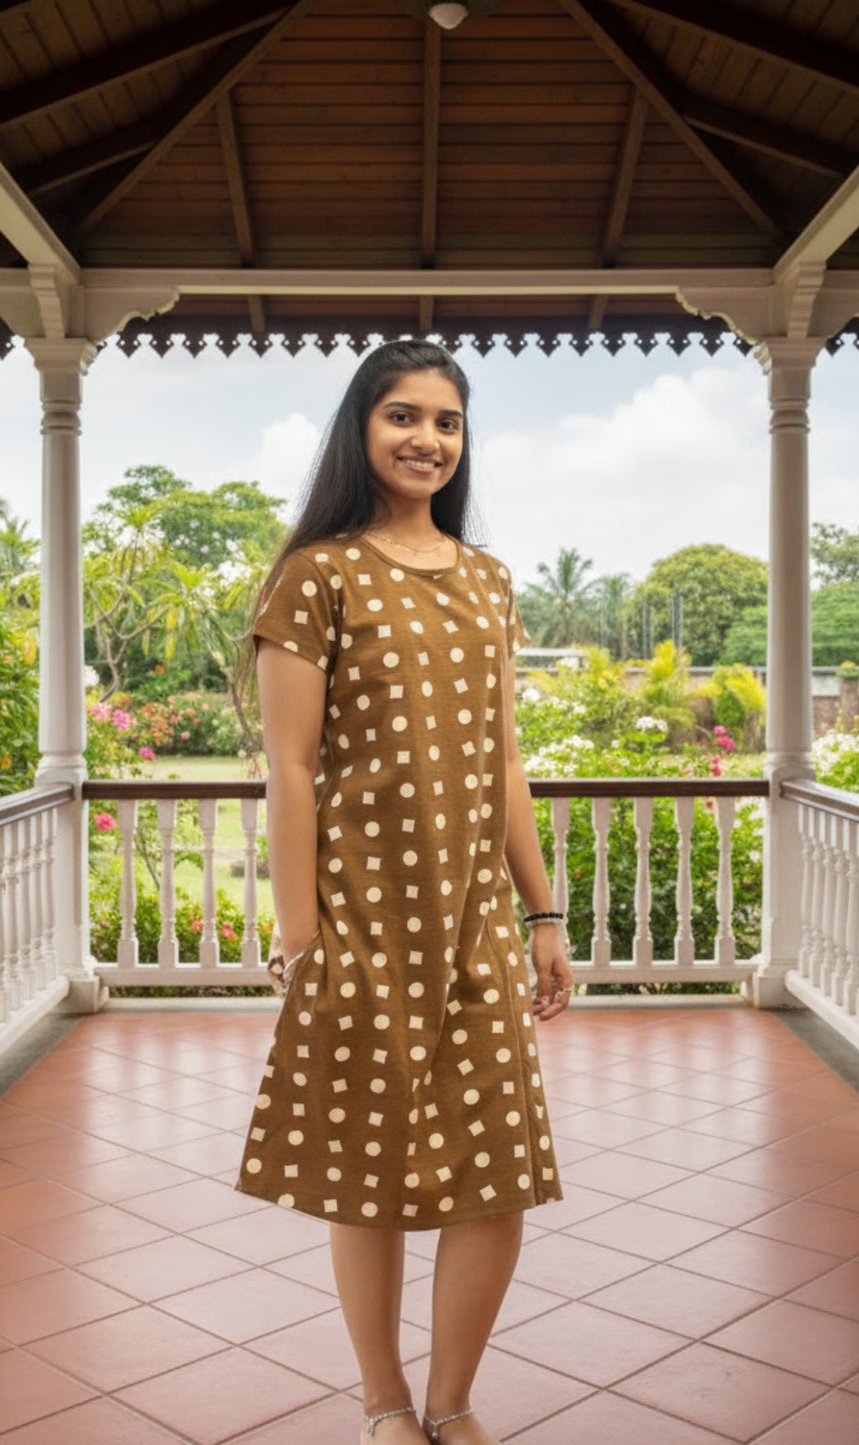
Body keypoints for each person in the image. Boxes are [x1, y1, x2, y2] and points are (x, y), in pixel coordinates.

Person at [231, 339, 574, 1444]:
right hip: (361, 923)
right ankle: (383, 1402)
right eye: (403, 416)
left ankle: (451, 1401)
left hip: (475, 925)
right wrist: (300, 936)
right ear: (360, 430)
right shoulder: (318, 575)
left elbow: (504, 757)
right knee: (363, 1172)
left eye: (446, 421)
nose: (427, 437)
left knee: (498, 1175)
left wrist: (543, 911)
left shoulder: (486, 580)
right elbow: (287, 765)